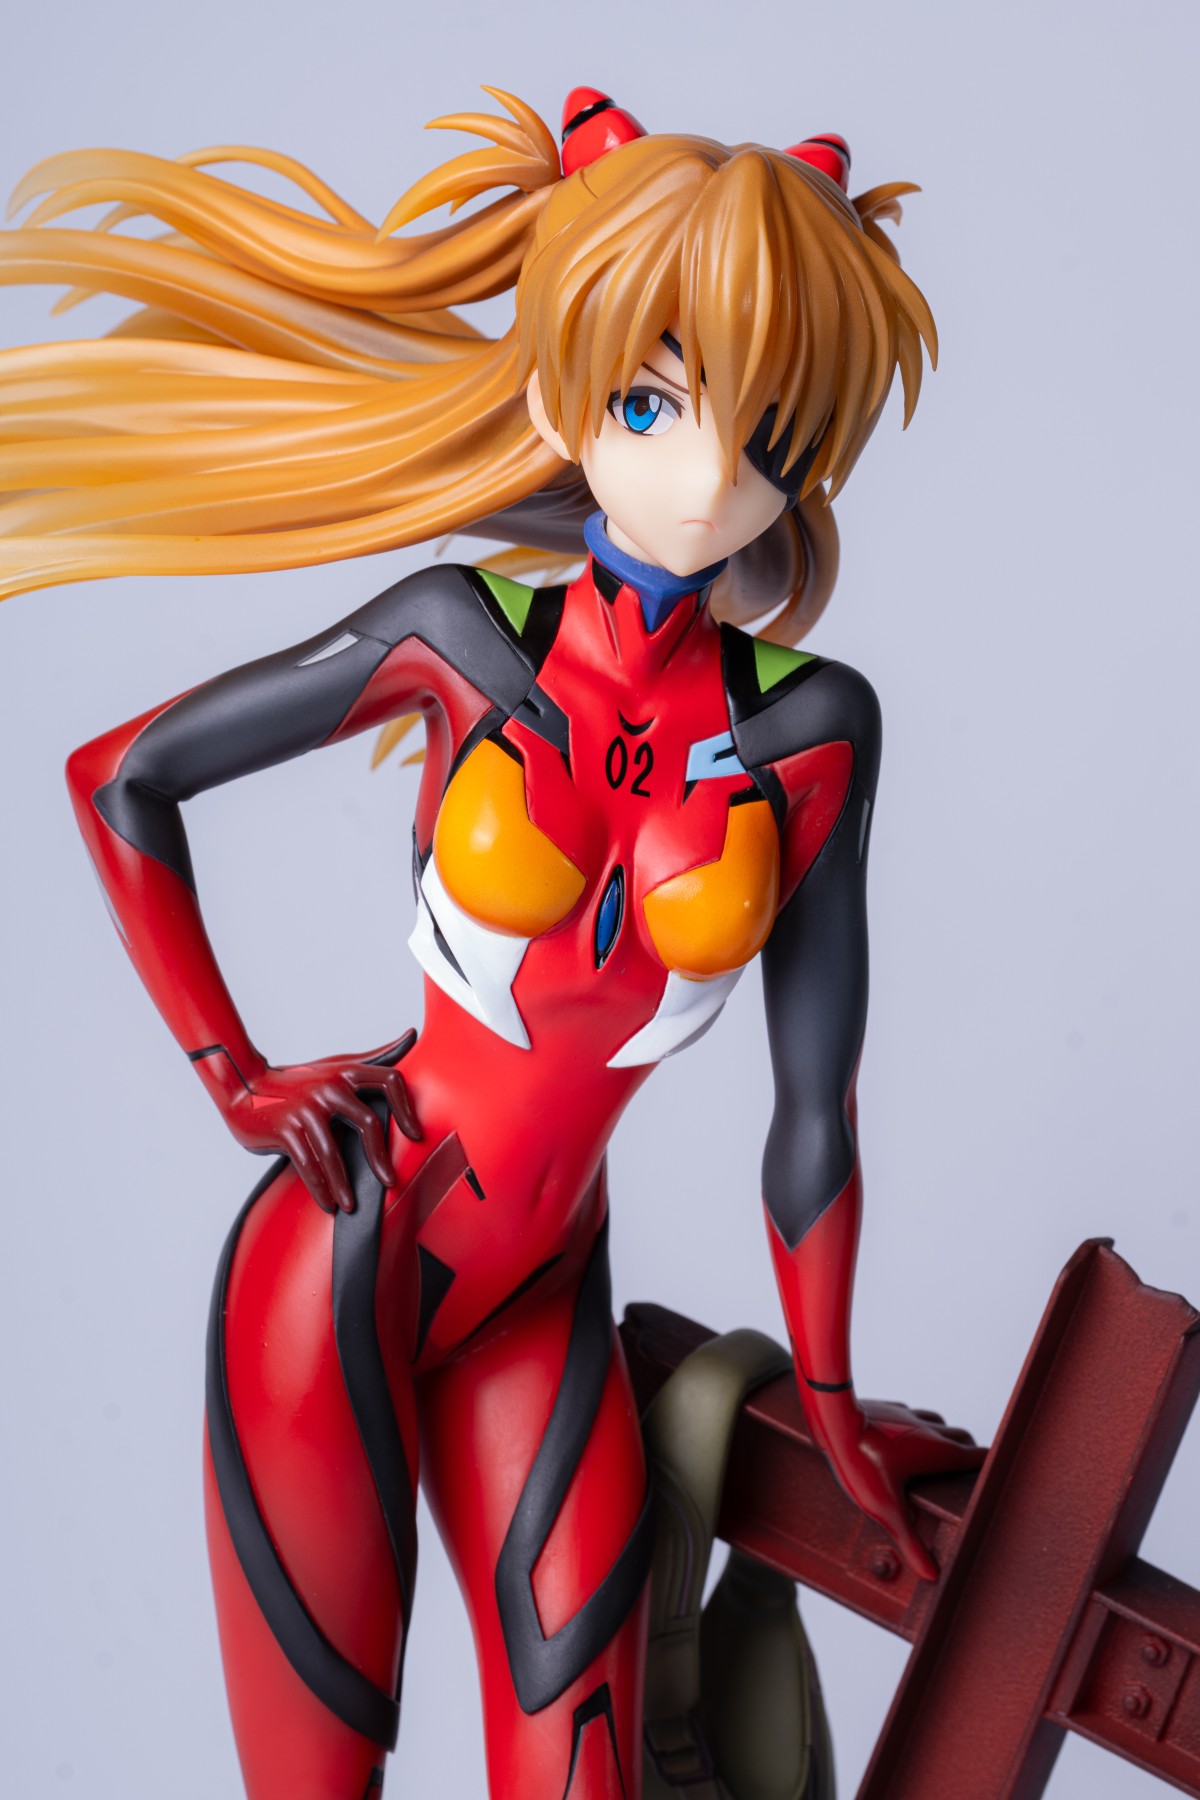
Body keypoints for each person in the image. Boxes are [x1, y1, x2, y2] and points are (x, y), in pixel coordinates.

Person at [0, 86, 980, 1800]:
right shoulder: (460, 635)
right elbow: (122, 779)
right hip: (343, 1252)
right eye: (654, 400)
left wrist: (829, 1410)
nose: (708, 472)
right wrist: (235, 1076)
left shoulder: (817, 730)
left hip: (543, 1296)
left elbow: (813, 1112)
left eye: (765, 428)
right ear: (565, 389)